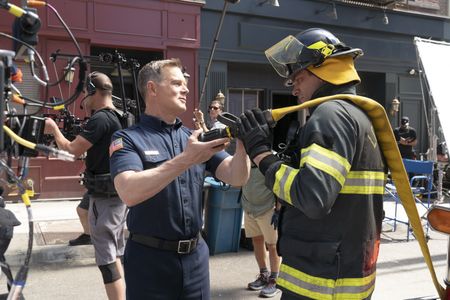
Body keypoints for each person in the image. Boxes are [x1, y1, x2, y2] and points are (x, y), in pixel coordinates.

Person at [236, 28, 387, 299]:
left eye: (299, 77)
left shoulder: (330, 115)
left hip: (324, 280)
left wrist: (259, 153)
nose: (294, 87)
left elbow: (312, 198)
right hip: (341, 270)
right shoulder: (356, 115)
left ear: (324, 69)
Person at [109, 58, 250, 299]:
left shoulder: (195, 138)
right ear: (152, 88)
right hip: (149, 262)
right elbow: (128, 192)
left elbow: (236, 176)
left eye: (184, 83)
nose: (185, 89)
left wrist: (245, 143)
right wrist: (187, 158)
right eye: (176, 83)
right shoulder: (127, 138)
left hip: (195, 258)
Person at [44, 71, 126, 300]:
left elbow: (71, 150)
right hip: (115, 193)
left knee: (107, 261)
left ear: (93, 91)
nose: (84, 101)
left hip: (105, 198)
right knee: (116, 254)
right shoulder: (119, 116)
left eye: (86, 94)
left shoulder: (100, 118)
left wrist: (54, 129)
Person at [243, 165, 281, 298]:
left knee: (273, 245)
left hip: (268, 209)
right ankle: (264, 275)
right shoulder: (246, 159)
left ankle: (274, 280)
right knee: (257, 240)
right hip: (249, 207)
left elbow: (279, 186)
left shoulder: (269, 161)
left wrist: (278, 210)